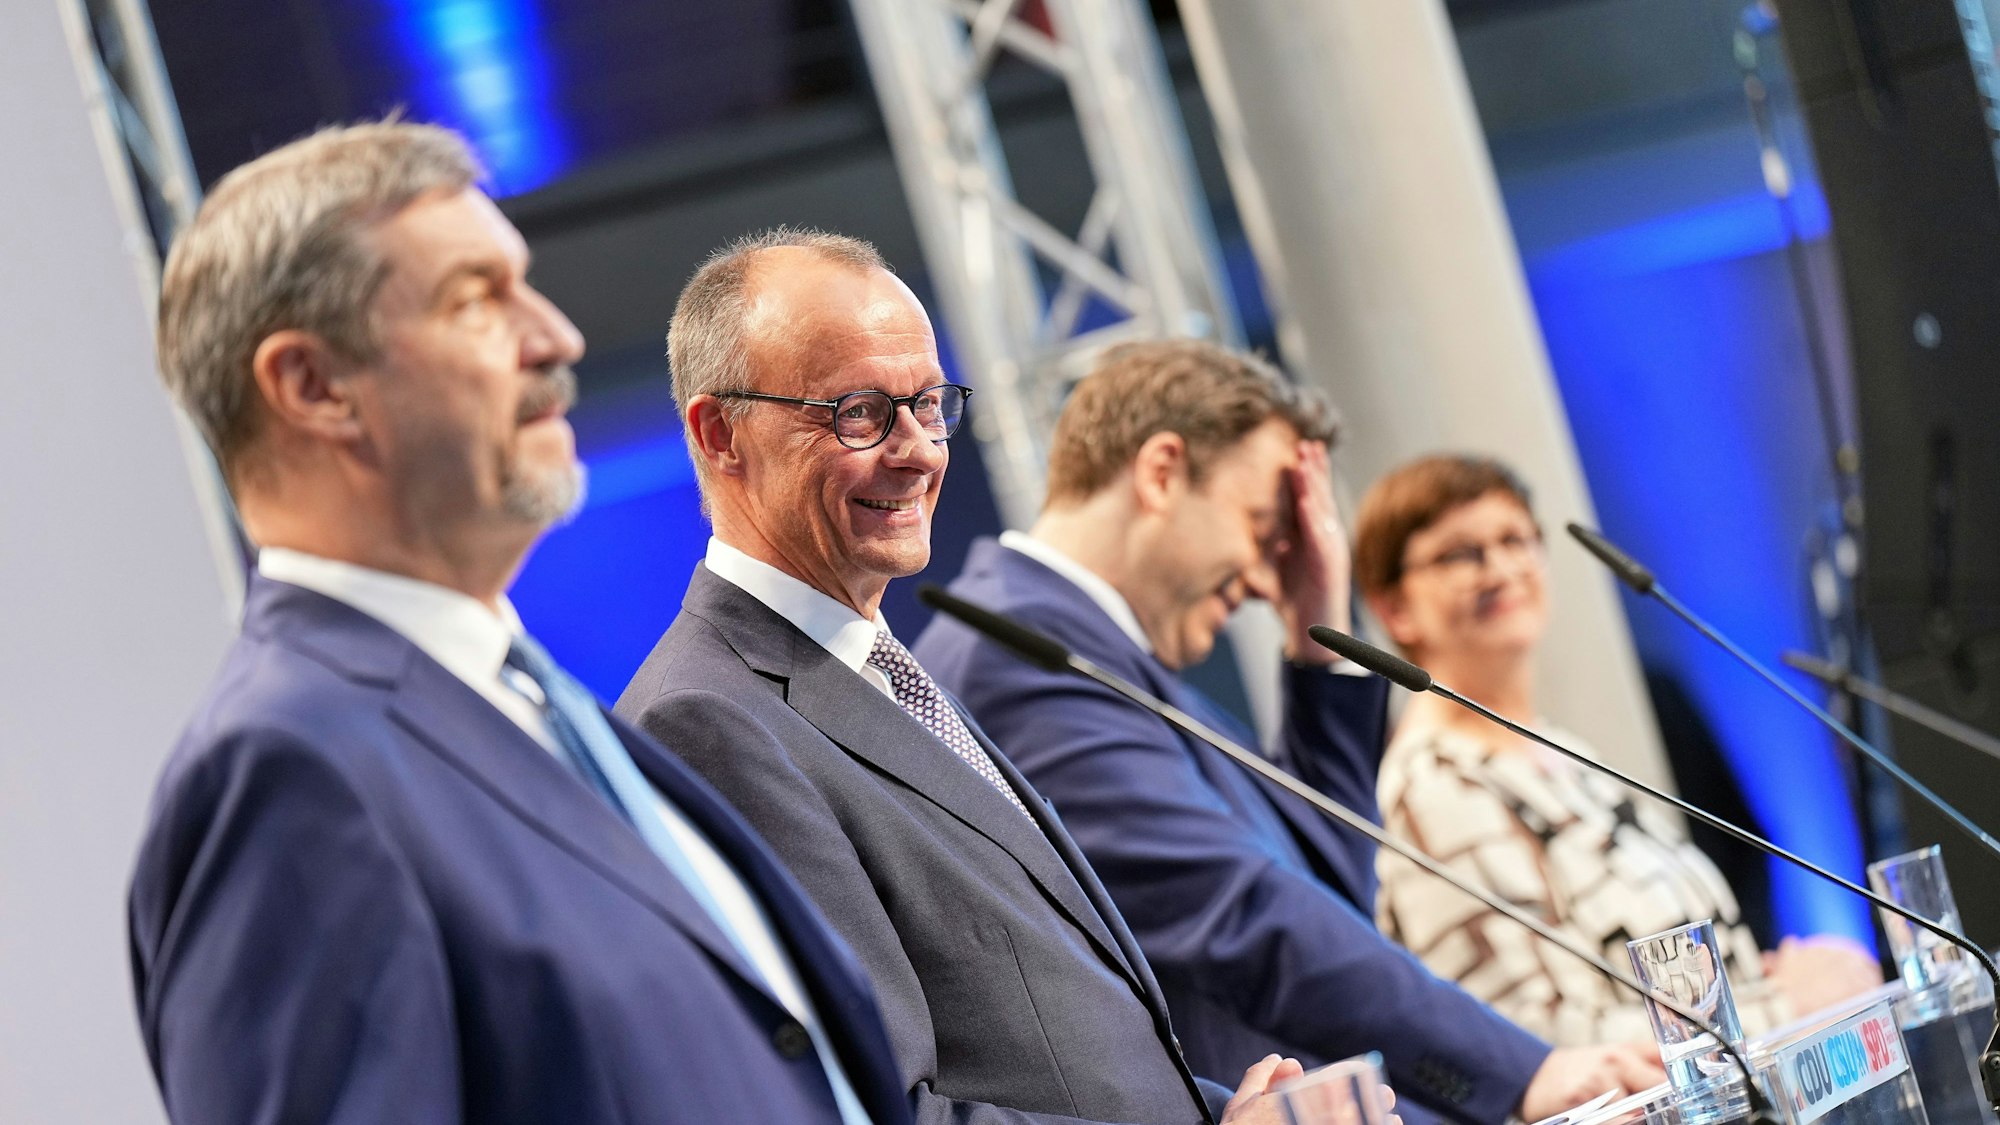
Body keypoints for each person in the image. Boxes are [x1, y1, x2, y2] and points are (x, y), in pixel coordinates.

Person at [128, 123, 914, 1125]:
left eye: (524, 284)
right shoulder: (285, 774)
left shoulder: (530, 705)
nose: (555, 336)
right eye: (475, 300)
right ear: (313, 387)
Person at [614, 229, 1298, 1125]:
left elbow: (1070, 1057)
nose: (920, 451)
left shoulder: (884, 670)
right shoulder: (705, 722)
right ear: (720, 433)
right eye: (859, 412)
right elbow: (874, 1106)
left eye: (930, 404)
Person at [913, 341, 1665, 1125]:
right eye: (1263, 524)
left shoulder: (1117, 663)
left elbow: (1330, 889)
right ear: (1162, 471)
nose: (1267, 570)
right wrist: (1523, 1073)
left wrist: (1320, 635)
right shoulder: (1021, 656)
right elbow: (1252, 918)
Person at [1353, 453, 1881, 1047]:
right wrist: (1784, 1006)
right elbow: (1532, 1044)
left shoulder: (1554, 748)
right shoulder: (1434, 787)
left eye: (1516, 539)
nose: (1501, 567)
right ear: (1392, 606)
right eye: (1460, 553)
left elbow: (1660, 984)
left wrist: (1763, 981)